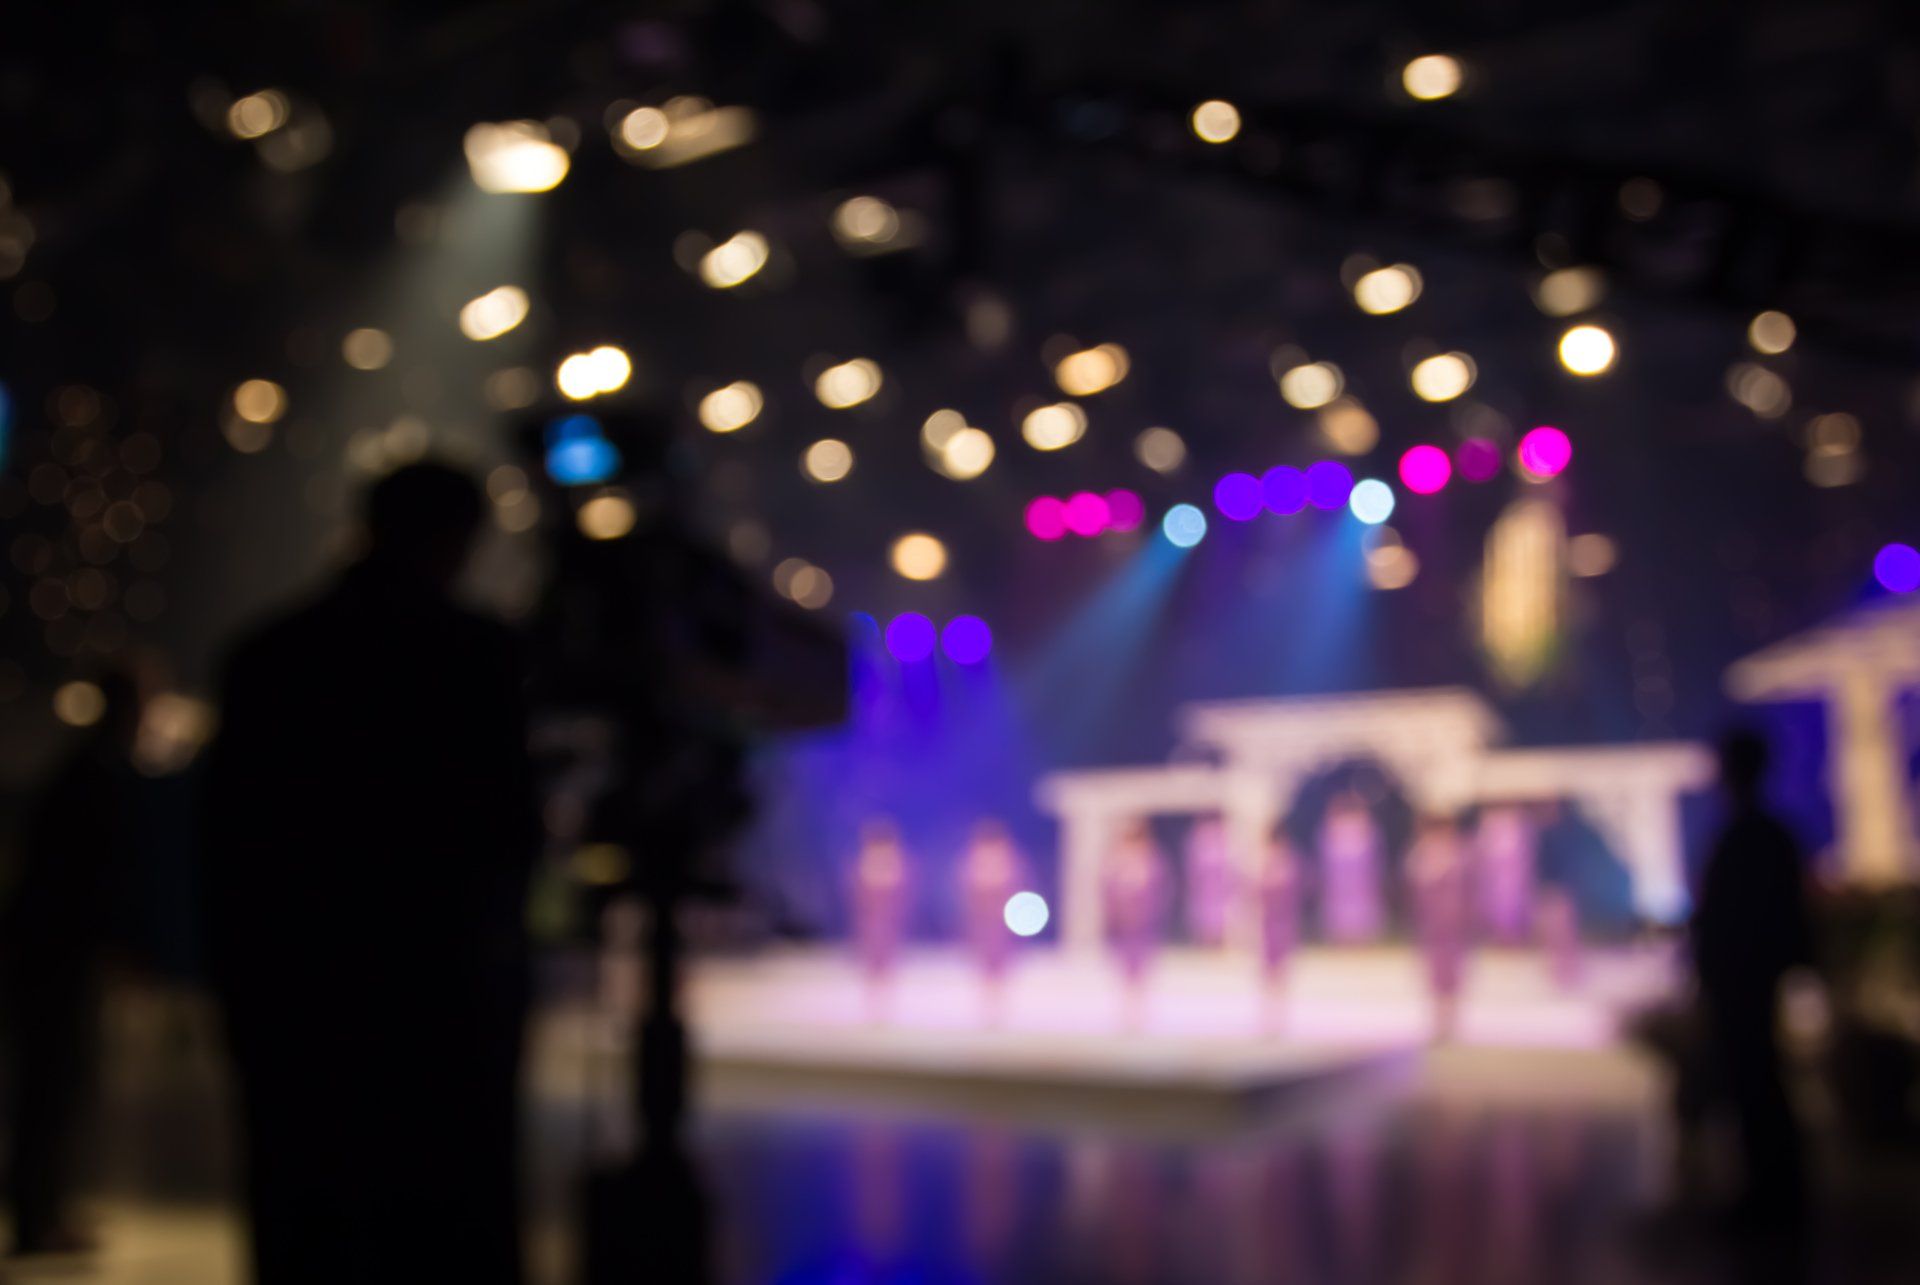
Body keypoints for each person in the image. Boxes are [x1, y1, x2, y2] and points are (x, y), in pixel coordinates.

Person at [203, 462, 536, 1284]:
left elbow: (225, 843)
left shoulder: (267, 655)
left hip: (295, 1001)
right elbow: (509, 832)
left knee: (307, 1220)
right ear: (459, 540)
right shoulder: (478, 655)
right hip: (444, 1003)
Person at [1, 669, 148, 1258]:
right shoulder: (97, 776)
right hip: (57, 959)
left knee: (53, 1087)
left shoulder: (82, 770)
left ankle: (43, 1213)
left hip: (49, 954)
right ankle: (38, 1220)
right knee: (54, 1087)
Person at [1689, 728, 1814, 1222]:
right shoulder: (1768, 834)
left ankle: (1770, 1197)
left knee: (1754, 1082)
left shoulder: (1745, 836)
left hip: (1742, 980)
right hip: (1752, 977)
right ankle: (1776, 1192)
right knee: (1759, 1081)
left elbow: (1729, 916)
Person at [1406, 815, 1472, 1041]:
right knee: (1435, 975)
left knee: (1452, 975)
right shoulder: (1422, 859)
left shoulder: (1459, 856)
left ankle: (1449, 1022)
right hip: (1432, 927)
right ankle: (1439, 1021)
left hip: (1455, 927)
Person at [1103, 819, 1169, 1028]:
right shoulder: (1116, 869)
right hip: (1123, 930)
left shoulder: (1152, 866)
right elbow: (1108, 896)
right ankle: (1127, 1014)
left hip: (1144, 928)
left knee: (1142, 971)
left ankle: (1139, 1014)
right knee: (1125, 971)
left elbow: (1161, 895)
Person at [958, 819, 1023, 1024]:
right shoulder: (971, 872)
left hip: (1003, 932)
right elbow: (966, 903)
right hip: (980, 931)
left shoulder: (1010, 872)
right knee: (983, 971)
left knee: (1001, 972)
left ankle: (998, 1012)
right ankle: (986, 1012)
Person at [850, 818, 911, 1022]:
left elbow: (901, 892)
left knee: (885, 961)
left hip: (887, 921)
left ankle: (883, 1004)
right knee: (873, 962)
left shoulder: (892, 861)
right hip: (872, 921)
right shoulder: (869, 860)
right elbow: (859, 893)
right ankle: (874, 1005)